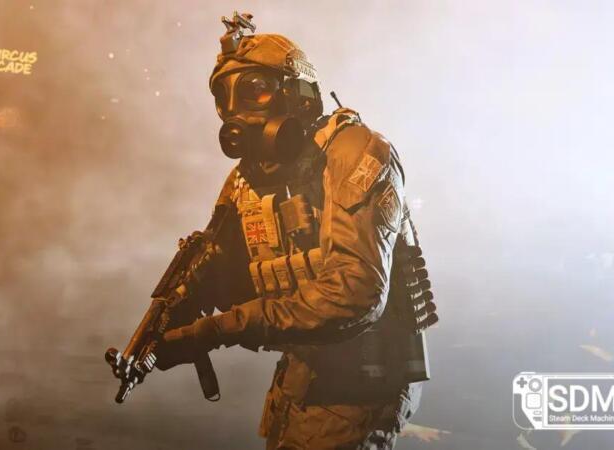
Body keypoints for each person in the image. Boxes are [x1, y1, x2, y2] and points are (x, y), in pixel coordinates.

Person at [156, 13, 438, 450]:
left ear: (299, 95)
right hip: (304, 375)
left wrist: (217, 330)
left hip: (362, 383)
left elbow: (355, 292)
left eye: (255, 89)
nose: (236, 110)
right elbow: (225, 266)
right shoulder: (251, 176)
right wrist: (180, 307)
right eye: (223, 97)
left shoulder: (356, 152)